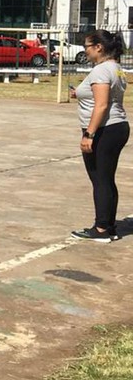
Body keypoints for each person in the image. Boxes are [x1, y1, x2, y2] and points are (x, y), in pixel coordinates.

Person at [70, 29, 128, 242]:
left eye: (87, 46)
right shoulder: (116, 68)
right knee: (106, 178)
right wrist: (79, 93)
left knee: (100, 179)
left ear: (98, 47)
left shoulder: (101, 70)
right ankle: (109, 225)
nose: (85, 50)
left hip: (105, 129)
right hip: (117, 126)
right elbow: (104, 97)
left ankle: (101, 228)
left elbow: (102, 105)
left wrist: (89, 134)